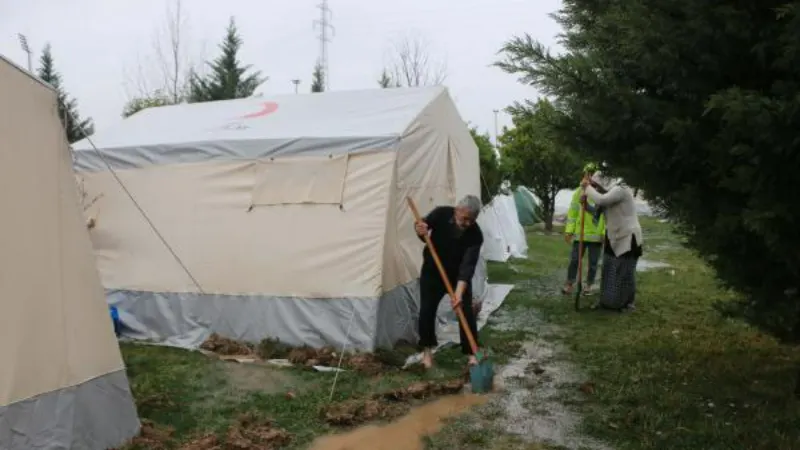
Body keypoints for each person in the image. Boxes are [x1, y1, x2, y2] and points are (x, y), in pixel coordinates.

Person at [414, 195, 483, 369]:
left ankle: (473, 354)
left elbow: (467, 267)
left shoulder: (476, 235)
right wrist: (419, 229)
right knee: (427, 310)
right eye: (465, 218)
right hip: (433, 272)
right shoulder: (440, 213)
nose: (467, 223)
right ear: (457, 210)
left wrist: (458, 294)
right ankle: (427, 354)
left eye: (472, 220)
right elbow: (423, 227)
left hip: (457, 277)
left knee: (465, 311)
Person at [581, 171, 643, 311]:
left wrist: (587, 188)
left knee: (625, 272)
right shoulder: (609, 193)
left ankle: (626, 303)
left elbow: (602, 200)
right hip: (614, 236)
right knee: (609, 269)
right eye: (594, 186)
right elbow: (599, 209)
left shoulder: (621, 189)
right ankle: (608, 301)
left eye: (597, 186)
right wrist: (586, 206)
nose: (596, 189)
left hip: (628, 237)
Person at [563, 163, 606, 296]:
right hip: (579, 234)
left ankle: (589, 285)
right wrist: (569, 230)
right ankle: (570, 283)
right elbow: (573, 212)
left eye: (591, 174)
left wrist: (604, 233)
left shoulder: (602, 194)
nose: (588, 177)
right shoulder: (578, 192)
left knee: (593, 263)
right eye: (586, 174)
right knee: (574, 260)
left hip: (596, 235)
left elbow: (604, 216)